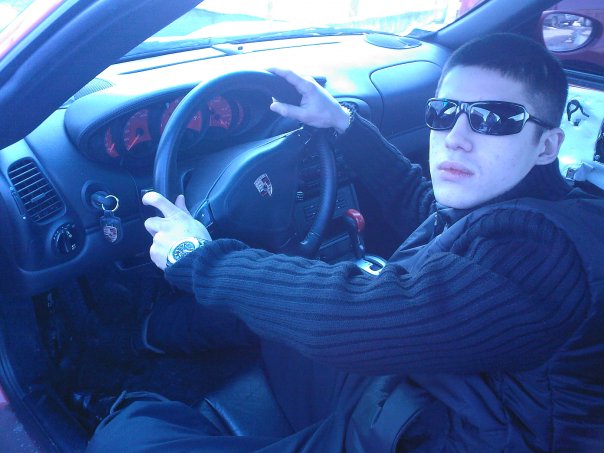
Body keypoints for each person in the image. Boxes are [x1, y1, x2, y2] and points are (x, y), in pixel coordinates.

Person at [87, 33, 604, 452]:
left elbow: (363, 314)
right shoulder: (523, 204)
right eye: (445, 112)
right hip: (434, 387)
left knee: (123, 440)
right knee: (278, 298)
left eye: (494, 119)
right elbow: (427, 209)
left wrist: (195, 258)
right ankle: (140, 339)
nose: (457, 137)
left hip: (448, 434)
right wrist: (342, 123)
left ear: (547, 145)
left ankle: (117, 404)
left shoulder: (544, 254)